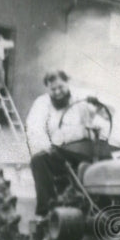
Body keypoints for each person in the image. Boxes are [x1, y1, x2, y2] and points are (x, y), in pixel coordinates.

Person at [26, 70, 107, 216]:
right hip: (61, 151)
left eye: (61, 87)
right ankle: (47, 210)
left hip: (86, 149)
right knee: (38, 161)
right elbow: (34, 129)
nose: (57, 92)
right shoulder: (42, 103)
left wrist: (98, 105)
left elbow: (107, 115)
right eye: (53, 89)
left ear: (67, 83)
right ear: (48, 88)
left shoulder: (82, 98)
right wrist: (45, 147)